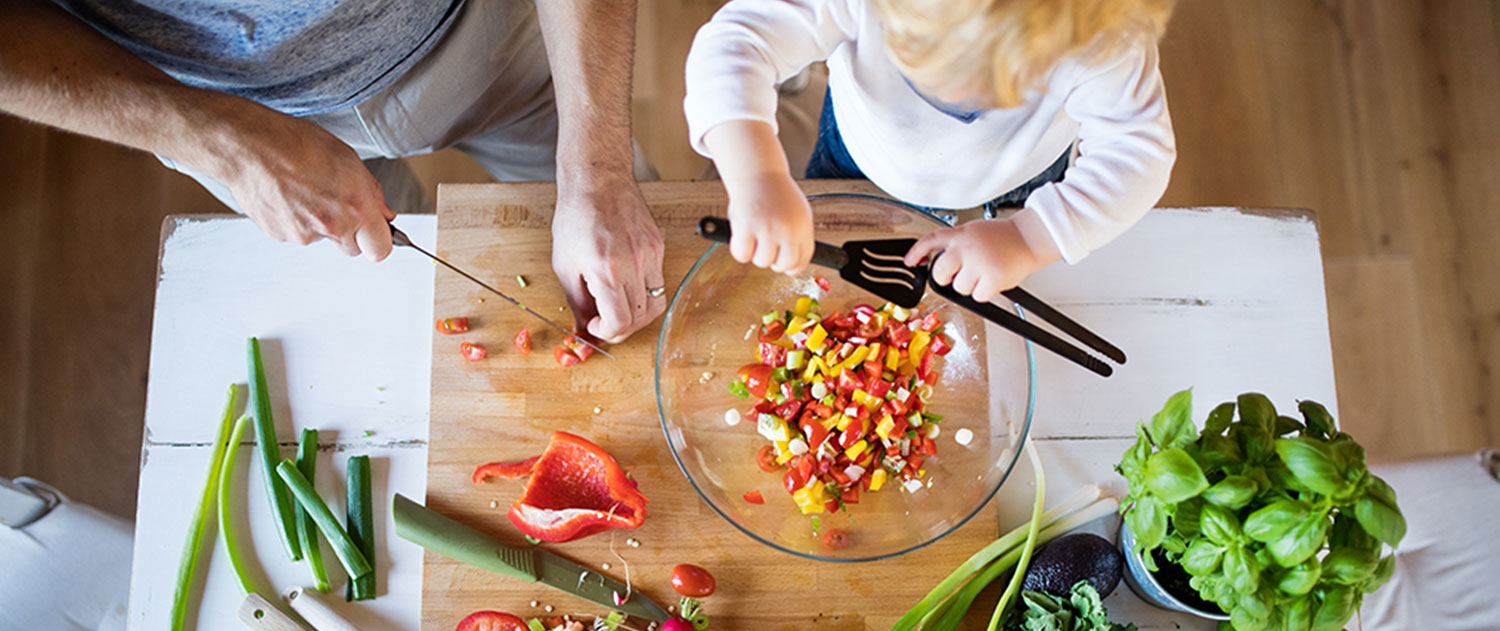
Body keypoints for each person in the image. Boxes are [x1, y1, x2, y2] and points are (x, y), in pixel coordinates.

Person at [0, 0, 665, 343]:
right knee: (391, 320)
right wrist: (226, 144)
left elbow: (599, 179)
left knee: (626, 259)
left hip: (482, 32)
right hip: (220, 107)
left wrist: (597, 171)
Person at [683, 0, 1176, 304]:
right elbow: (736, 42)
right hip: (859, 158)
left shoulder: (1103, 30)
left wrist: (1030, 238)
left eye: (1008, 82)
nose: (962, 99)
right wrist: (758, 178)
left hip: (1020, 182)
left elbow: (1137, 152)